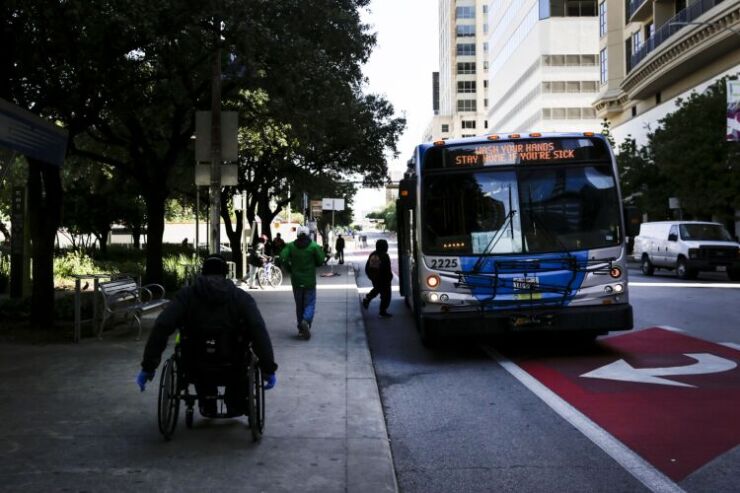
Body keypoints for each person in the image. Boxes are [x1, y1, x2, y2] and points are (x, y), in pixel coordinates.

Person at [136, 254, 277, 417]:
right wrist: (268, 368)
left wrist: (149, 365)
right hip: (233, 362)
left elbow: (163, 325)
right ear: (225, 273)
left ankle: (207, 402)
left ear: (203, 272)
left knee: (196, 353)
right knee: (240, 357)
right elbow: (257, 328)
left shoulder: (186, 295)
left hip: (194, 362)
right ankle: (235, 403)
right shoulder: (241, 298)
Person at [279, 226, 324, 340]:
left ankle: (300, 329)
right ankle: (306, 321)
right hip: (309, 282)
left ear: (297, 234)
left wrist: (289, 269)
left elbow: (282, 257)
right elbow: (320, 260)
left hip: (296, 281)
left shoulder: (291, 246)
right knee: (310, 304)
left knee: (299, 306)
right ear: (308, 234)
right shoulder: (313, 246)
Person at [362, 239, 393, 317]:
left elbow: (367, 267)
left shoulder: (373, 254)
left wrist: (371, 276)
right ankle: (382, 311)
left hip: (374, 278)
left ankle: (368, 298)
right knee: (386, 295)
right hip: (383, 279)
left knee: (377, 289)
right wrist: (389, 277)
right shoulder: (384, 255)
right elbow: (387, 268)